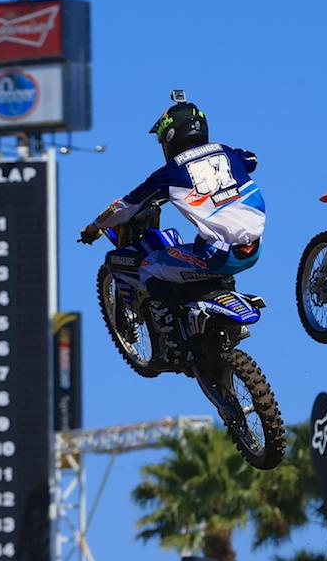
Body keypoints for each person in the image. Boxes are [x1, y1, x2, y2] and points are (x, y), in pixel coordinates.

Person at [78, 93, 266, 368]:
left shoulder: (172, 172)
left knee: (150, 266)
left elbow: (125, 206)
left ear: (170, 137)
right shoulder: (227, 152)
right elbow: (252, 159)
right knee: (198, 242)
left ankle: (169, 346)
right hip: (253, 249)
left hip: (219, 256)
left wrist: (94, 227)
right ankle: (211, 312)